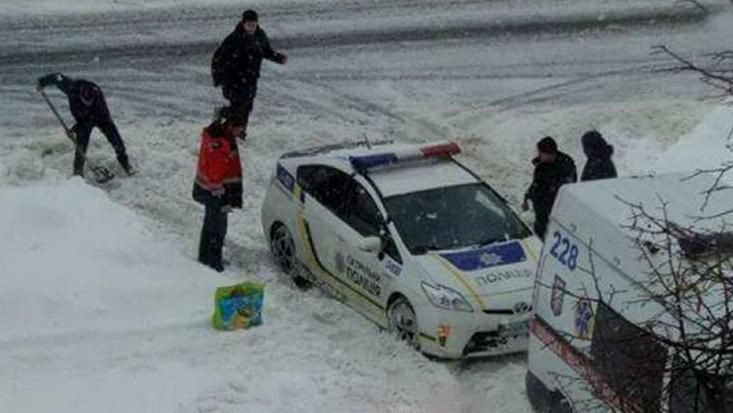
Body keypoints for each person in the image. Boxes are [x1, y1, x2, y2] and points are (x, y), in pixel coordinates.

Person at [36, 72, 133, 176]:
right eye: (84, 102)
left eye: (88, 103)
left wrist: (73, 130)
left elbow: (88, 121)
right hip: (82, 119)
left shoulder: (97, 97)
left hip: (101, 117)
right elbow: (56, 77)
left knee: (116, 141)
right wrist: (41, 82)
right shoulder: (71, 87)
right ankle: (78, 173)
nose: (86, 104)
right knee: (80, 147)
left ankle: (126, 166)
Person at [211, 9, 287, 134]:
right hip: (233, 79)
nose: (251, 28)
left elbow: (266, 51)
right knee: (237, 106)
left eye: (253, 25)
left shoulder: (260, 36)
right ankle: (223, 116)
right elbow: (218, 58)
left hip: (251, 78)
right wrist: (218, 78)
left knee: (247, 107)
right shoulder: (233, 39)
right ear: (243, 24)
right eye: (248, 25)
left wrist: (277, 57)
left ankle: (239, 132)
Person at [192, 110, 245, 272]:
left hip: (209, 191)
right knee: (218, 229)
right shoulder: (221, 144)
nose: (241, 132)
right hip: (216, 193)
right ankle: (214, 265)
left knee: (209, 225)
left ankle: (204, 258)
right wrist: (223, 199)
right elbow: (215, 175)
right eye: (239, 128)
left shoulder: (218, 135)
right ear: (230, 126)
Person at [522, 136, 577, 239]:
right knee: (540, 232)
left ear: (548, 153)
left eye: (541, 152)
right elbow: (537, 183)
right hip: (541, 210)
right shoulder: (542, 165)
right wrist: (528, 196)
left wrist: (547, 190)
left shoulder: (566, 165)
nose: (538, 155)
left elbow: (565, 188)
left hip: (556, 210)